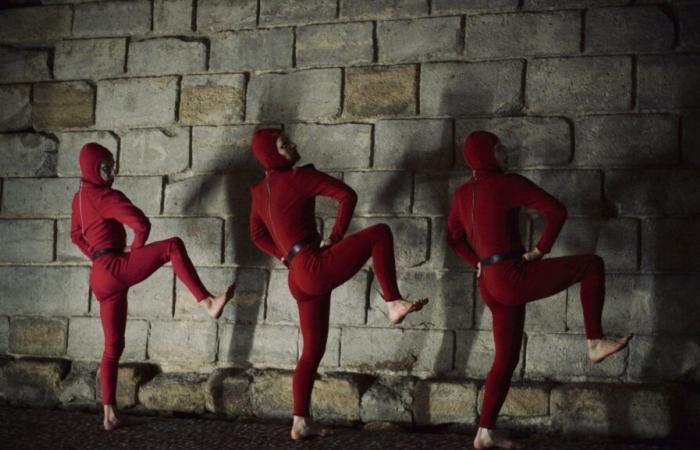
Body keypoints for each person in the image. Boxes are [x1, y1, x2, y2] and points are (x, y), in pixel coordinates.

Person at [446, 131, 632, 449]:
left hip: (488, 283)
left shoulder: (462, 194)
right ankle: (595, 341)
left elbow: (453, 237)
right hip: (510, 275)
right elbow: (556, 210)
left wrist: (476, 262)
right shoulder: (508, 183)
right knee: (591, 265)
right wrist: (539, 250)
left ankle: (484, 433)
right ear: (489, 155)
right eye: (500, 149)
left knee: (505, 357)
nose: (506, 154)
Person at [248, 128, 428, 440]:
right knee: (379, 233)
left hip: (297, 276)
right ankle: (393, 301)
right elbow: (347, 195)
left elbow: (257, 235)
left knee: (311, 352)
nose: (293, 145)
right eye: (284, 144)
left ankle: (300, 422)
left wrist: (283, 257)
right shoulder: (297, 177)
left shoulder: (258, 190)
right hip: (313, 265)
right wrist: (336, 237)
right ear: (272, 154)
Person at [70, 143, 235, 431]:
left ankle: (109, 415)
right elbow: (141, 224)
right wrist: (133, 254)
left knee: (112, 348)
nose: (113, 171)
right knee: (172, 247)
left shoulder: (79, 197)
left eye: (113, 165)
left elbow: (76, 236)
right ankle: (207, 302)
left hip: (99, 275)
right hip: (114, 267)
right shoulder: (105, 195)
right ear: (92, 168)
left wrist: (98, 259)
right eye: (106, 167)